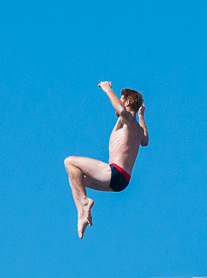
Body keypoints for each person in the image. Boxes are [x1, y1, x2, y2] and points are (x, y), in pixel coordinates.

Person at [64, 81, 149, 238]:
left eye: (122, 98)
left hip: (115, 172)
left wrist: (108, 89)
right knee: (75, 178)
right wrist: (142, 115)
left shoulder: (129, 121)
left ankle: (84, 201)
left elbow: (122, 111)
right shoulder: (137, 129)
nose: (119, 101)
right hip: (121, 183)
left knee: (69, 161)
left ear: (128, 102)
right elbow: (145, 141)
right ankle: (82, 215)